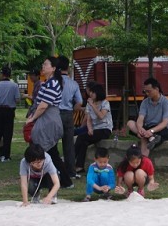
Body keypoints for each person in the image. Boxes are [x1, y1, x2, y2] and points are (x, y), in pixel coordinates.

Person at [25, 56, 74, 189]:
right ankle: (60, 181)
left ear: (53, 68)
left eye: (46, 64)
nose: (43, 66)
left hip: (48, 120)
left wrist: (32, 118)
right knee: (49, 151)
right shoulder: (49, 82)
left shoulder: (53, 83)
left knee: (45, 150)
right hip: (46, 119)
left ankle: (57, 181)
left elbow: (43, 105)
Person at [126, 77, 168, 156]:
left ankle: (149, 141)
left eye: (149, 91)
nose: (147, 94)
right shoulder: (145, 102)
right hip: (148, 127)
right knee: (130, 123)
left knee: (143, 137)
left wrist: (151, 131)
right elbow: (140, 118)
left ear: (157, 89)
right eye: (145, 92)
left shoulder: (166, 102)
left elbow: (165, 122)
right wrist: (140, 129)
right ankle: (152, 138)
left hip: (162, 129)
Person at [74, 82, 112, 173]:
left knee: (81, 137)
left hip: (105, 129)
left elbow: (101, 116)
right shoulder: (89, 104)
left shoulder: (105, 103)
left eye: (93, 92)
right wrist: (90, 128)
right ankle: (79, 166)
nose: (90, 94)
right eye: (90, 92)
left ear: (98, 93)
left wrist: (92, 105)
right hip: (94, 129)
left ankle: (70, 160)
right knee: (84, 142)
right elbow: (89, 119)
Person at [0, 66, 21, 162]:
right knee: (7, 133)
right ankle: (5, 155)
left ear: (2, 74)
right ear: (10, 75)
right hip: (9, 111)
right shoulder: (14, 86)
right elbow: (17, 99)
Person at [57, 56, 83, 179]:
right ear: (68, 67)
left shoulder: (53, 81)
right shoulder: (73, 83)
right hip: (68, 114)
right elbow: (79, 102)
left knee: (51, 143)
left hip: (54, 113)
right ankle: (71, 172)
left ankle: (55, 169)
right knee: (68, 145)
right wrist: (72, 109)